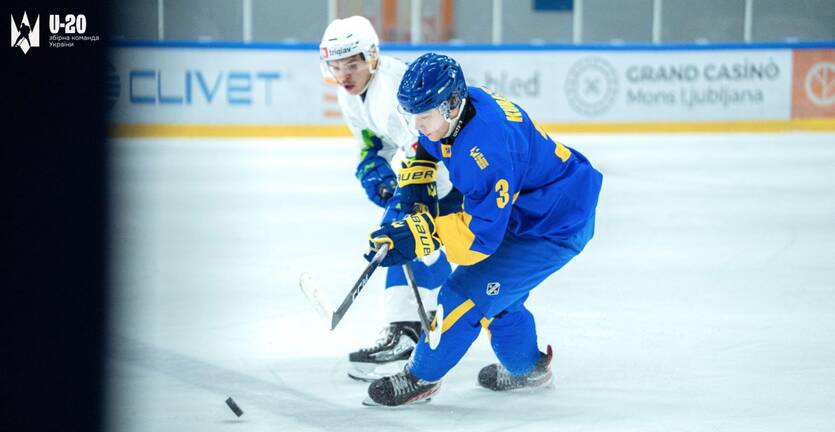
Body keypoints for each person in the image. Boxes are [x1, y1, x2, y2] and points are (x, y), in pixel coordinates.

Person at [362, 53, 603, 406]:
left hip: (554, 225)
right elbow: (429, 146)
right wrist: (417, 181)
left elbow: (480, 240)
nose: (418, 126)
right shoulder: (455, 111)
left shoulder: (486, 148)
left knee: (463, 295)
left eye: (424, 117)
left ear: (452, 105)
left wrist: (421, 235)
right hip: (531, 209)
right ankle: (528, 370)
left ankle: (421, 378)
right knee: (499, 297)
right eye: (412, 117)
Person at [319, 17, 457, 381]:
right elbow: (373, 143)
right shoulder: (350, 95)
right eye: (336, 66)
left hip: (455, 172)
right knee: (416, 242)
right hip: (428, 170)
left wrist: (409, 203)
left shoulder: (396, 88)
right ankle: (410, 329)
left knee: (403, 235)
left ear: (372, 57)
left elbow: (430, 149)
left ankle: (404, 332)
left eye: (352, 64)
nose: (344, 75)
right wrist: (376, 175)